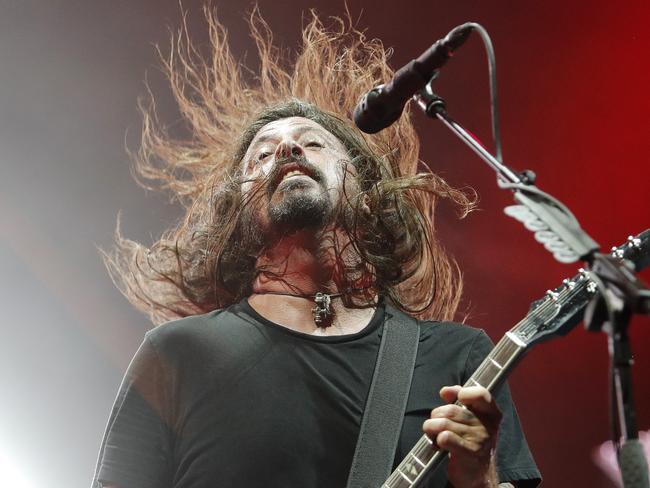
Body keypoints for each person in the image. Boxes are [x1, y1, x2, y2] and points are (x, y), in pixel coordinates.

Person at [92, 9, 541, 488]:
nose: (288, 151)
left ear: (366, 190)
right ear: (237, 213)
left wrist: (481, 476)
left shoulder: (456, 356)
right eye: (262, 154)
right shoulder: (177, 354)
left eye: (312, 143)